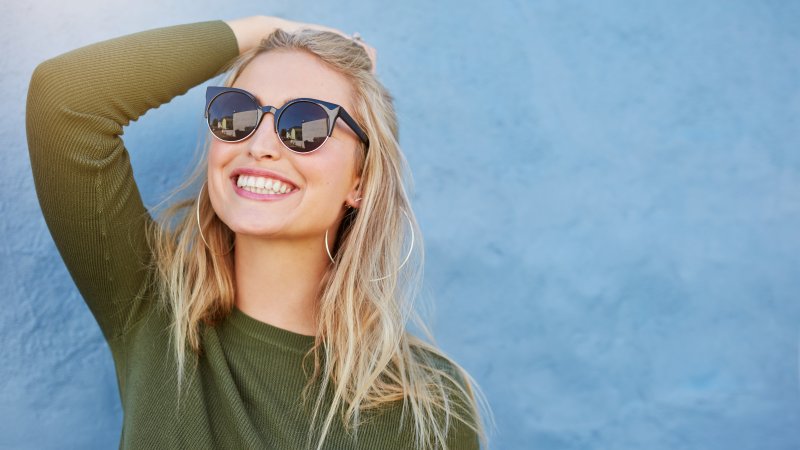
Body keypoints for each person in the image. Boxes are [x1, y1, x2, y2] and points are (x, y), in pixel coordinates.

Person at [26, 15, 493, 450]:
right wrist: (270, 31)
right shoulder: (154, 308)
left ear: (361, 182)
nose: (261, 145)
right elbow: (64, 101)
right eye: (239, 113)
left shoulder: (429, 405)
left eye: (306, 123)